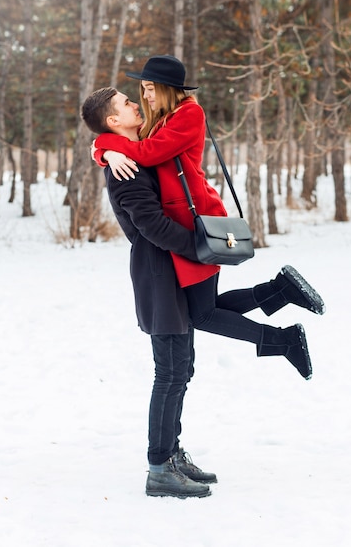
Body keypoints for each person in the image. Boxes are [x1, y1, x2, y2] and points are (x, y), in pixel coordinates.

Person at [91, 55, 325, 385]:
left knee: (203, 313)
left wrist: (107, 147)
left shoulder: (189, 113)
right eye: (141, 91)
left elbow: (144, 153)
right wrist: (104, 149)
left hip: (195, 220)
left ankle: (284, 335)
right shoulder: (159, 120)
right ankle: (281, 295)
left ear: (165, 88)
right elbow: (121, 135)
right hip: (179, 223)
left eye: (148, 89)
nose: (144, 97)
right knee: (204, 308)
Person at [81, 87, 214, 499]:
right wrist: (199, 247)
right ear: (113, 121)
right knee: (170, 372)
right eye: (125, 103)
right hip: (157, 273)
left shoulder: (130, 154)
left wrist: (104, 148)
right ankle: (159, 468)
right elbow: (151, 226)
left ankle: (171, 454)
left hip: (168, 268)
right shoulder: (125, 169)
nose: (135, 104)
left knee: (182, 368)